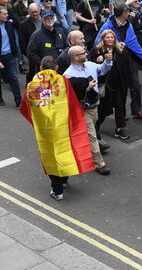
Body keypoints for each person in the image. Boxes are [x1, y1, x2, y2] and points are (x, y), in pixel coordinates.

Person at [20, 56, 95, 200]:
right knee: (64, 151)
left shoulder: (32, 86)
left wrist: (36, 121)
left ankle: (57, 190)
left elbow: (25, 107)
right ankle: (64, 179)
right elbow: (73, 99)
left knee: (50, 157)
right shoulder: (63, 81)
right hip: (63, 125)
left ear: (40, 68)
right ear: (56, 68)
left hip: (45, 129)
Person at [62, 45, 111, 175]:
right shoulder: (68, 75)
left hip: (95, 106)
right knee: (92, 136)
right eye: (83, 53)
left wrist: (108, 61)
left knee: (89, 133)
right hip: (83, 109)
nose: (86, 54)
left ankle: (78, 151)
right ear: (75, 57)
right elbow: (69, 95)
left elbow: (102, 70)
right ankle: (99, 163)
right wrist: (87, 87)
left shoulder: (90, 65)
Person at [93, 28, 134, 141]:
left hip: (119, 83)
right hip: (106, 84)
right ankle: (96, 125)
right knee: (103, 108)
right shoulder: (97, 51)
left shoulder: (120, 50)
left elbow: (127, 66)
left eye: (112, 37)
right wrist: (97, 60)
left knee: (120, 106)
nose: (110, 39)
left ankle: (120, 129)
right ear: (103, 39)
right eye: (108, 37)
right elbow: (90, 65)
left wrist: (129, 82)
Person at [26, 9, 66, 83]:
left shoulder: (60, 31)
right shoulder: (36, 35)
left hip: (60, 69)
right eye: (46, 18)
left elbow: (65, 46)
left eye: (51, 18)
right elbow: (30, 53)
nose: (49, 20)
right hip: (44, 72)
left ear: (54, 18)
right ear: (42, 19)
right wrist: (43, 64)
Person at [0, 6, 22, 107]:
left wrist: (15, 55)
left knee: (13, 78)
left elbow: (18, 23)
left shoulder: (9, 24)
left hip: (10, 56)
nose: (7, 15)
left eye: (7, 13)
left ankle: (19, 101)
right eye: (4, 14)